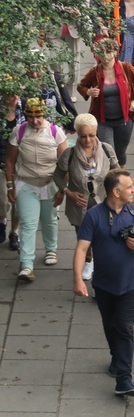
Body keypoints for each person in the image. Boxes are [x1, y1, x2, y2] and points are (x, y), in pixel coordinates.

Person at [72, 169, 134, 396]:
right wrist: (79, 279)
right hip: (103, 286)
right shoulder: (94, 215)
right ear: (116, 192)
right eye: (129, 187)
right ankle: (116, 356)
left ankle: (124, 380)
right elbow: (82, 248)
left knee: (125, 328)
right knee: (111, 326)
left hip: (130, 286)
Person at [5, 98, 68, 281]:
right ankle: (26, 265)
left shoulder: (56, 132)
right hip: (26, 183)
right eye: (30, 117)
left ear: (44, 114)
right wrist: (10, 186)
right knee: (27, 223)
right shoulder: (19, 132)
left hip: (50, 183)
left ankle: (50, 249)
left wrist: (62, 190)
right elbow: (9, 160)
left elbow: (64, 164)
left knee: (49, 220)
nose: (35, 121)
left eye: (38, 116)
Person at [54, 114, 119, 283]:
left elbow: (117, 173)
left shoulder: (106, 150)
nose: (88, 140)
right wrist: (68, 192)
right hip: (79, 203)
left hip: (103, 202)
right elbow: (58, 176)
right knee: (83, 234)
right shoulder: (69, 154)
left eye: (91, 135)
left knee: (104, 234)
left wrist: (116, 192)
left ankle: (101, 262)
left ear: (96, 132)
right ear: (77, 134)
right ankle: (89, 261)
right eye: (83, 136)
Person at [77, 38, 134, 168]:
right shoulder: (95, 72)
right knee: (108, 152)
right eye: (101, 52)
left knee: (120, 151)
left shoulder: (126, 68)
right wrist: (89, 92)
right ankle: (113, 178)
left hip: (124, 119)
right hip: (103, 120)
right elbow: (81, 86)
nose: (105, 56)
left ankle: (120, 175)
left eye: (108, 52)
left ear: (115, 52)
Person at [0, 96, 24, 251]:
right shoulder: (1, 111)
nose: (13, 98)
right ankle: (2, 221)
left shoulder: (25, 108)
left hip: (22, 160)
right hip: (2, 158)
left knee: (19, 200)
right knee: (3, 196)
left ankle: (14, 232)